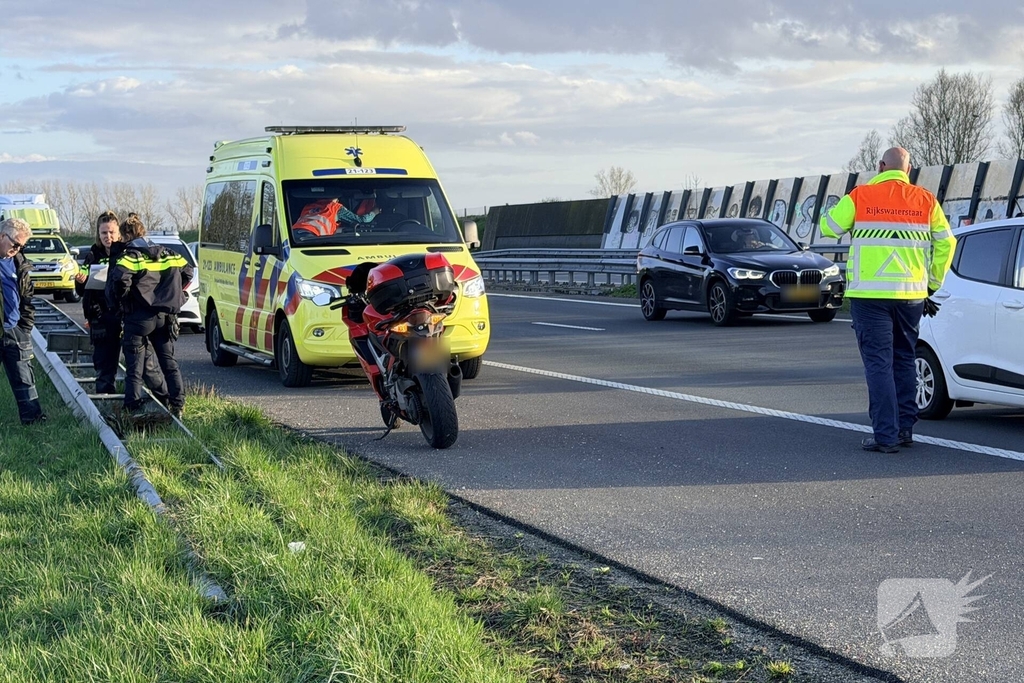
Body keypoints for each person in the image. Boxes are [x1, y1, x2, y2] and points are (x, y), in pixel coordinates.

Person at [821, 147, 956, 453]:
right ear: (908, 169)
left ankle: (885, 435)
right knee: (904, 359)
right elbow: (947, 243)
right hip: (910, 296)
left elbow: (829, 228)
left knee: (879, 364)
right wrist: (931, 285)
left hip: (870, 297)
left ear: (881, 166)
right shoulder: (926, 200)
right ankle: (905, 430)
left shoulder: (861, 196)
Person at [106, 215, 193, 419]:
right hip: (164, 317)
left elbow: (119, 280)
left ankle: (133, 409)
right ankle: (177, 405)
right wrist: (172, 293)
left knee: (134, 368)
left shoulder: (131, 255)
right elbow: (188, 272)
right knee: (169, 363)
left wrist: (126, 298)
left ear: (126, 235)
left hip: (138, 317)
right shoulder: (168, 253)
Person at [0, 217, 46, 425]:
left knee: (24, 379)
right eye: (15, 244)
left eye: (21, 246)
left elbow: (27, 298)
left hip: (14, 330)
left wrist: (25, 328)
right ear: (2, 236)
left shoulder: (19, 263)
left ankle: (33, 422)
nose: (17, 249)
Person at [292, 197, 380, 238]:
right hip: (310, 237)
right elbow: (362, 220)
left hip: (294, 234)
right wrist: (375, 211)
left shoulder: (309, 206)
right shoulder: (335, 207)